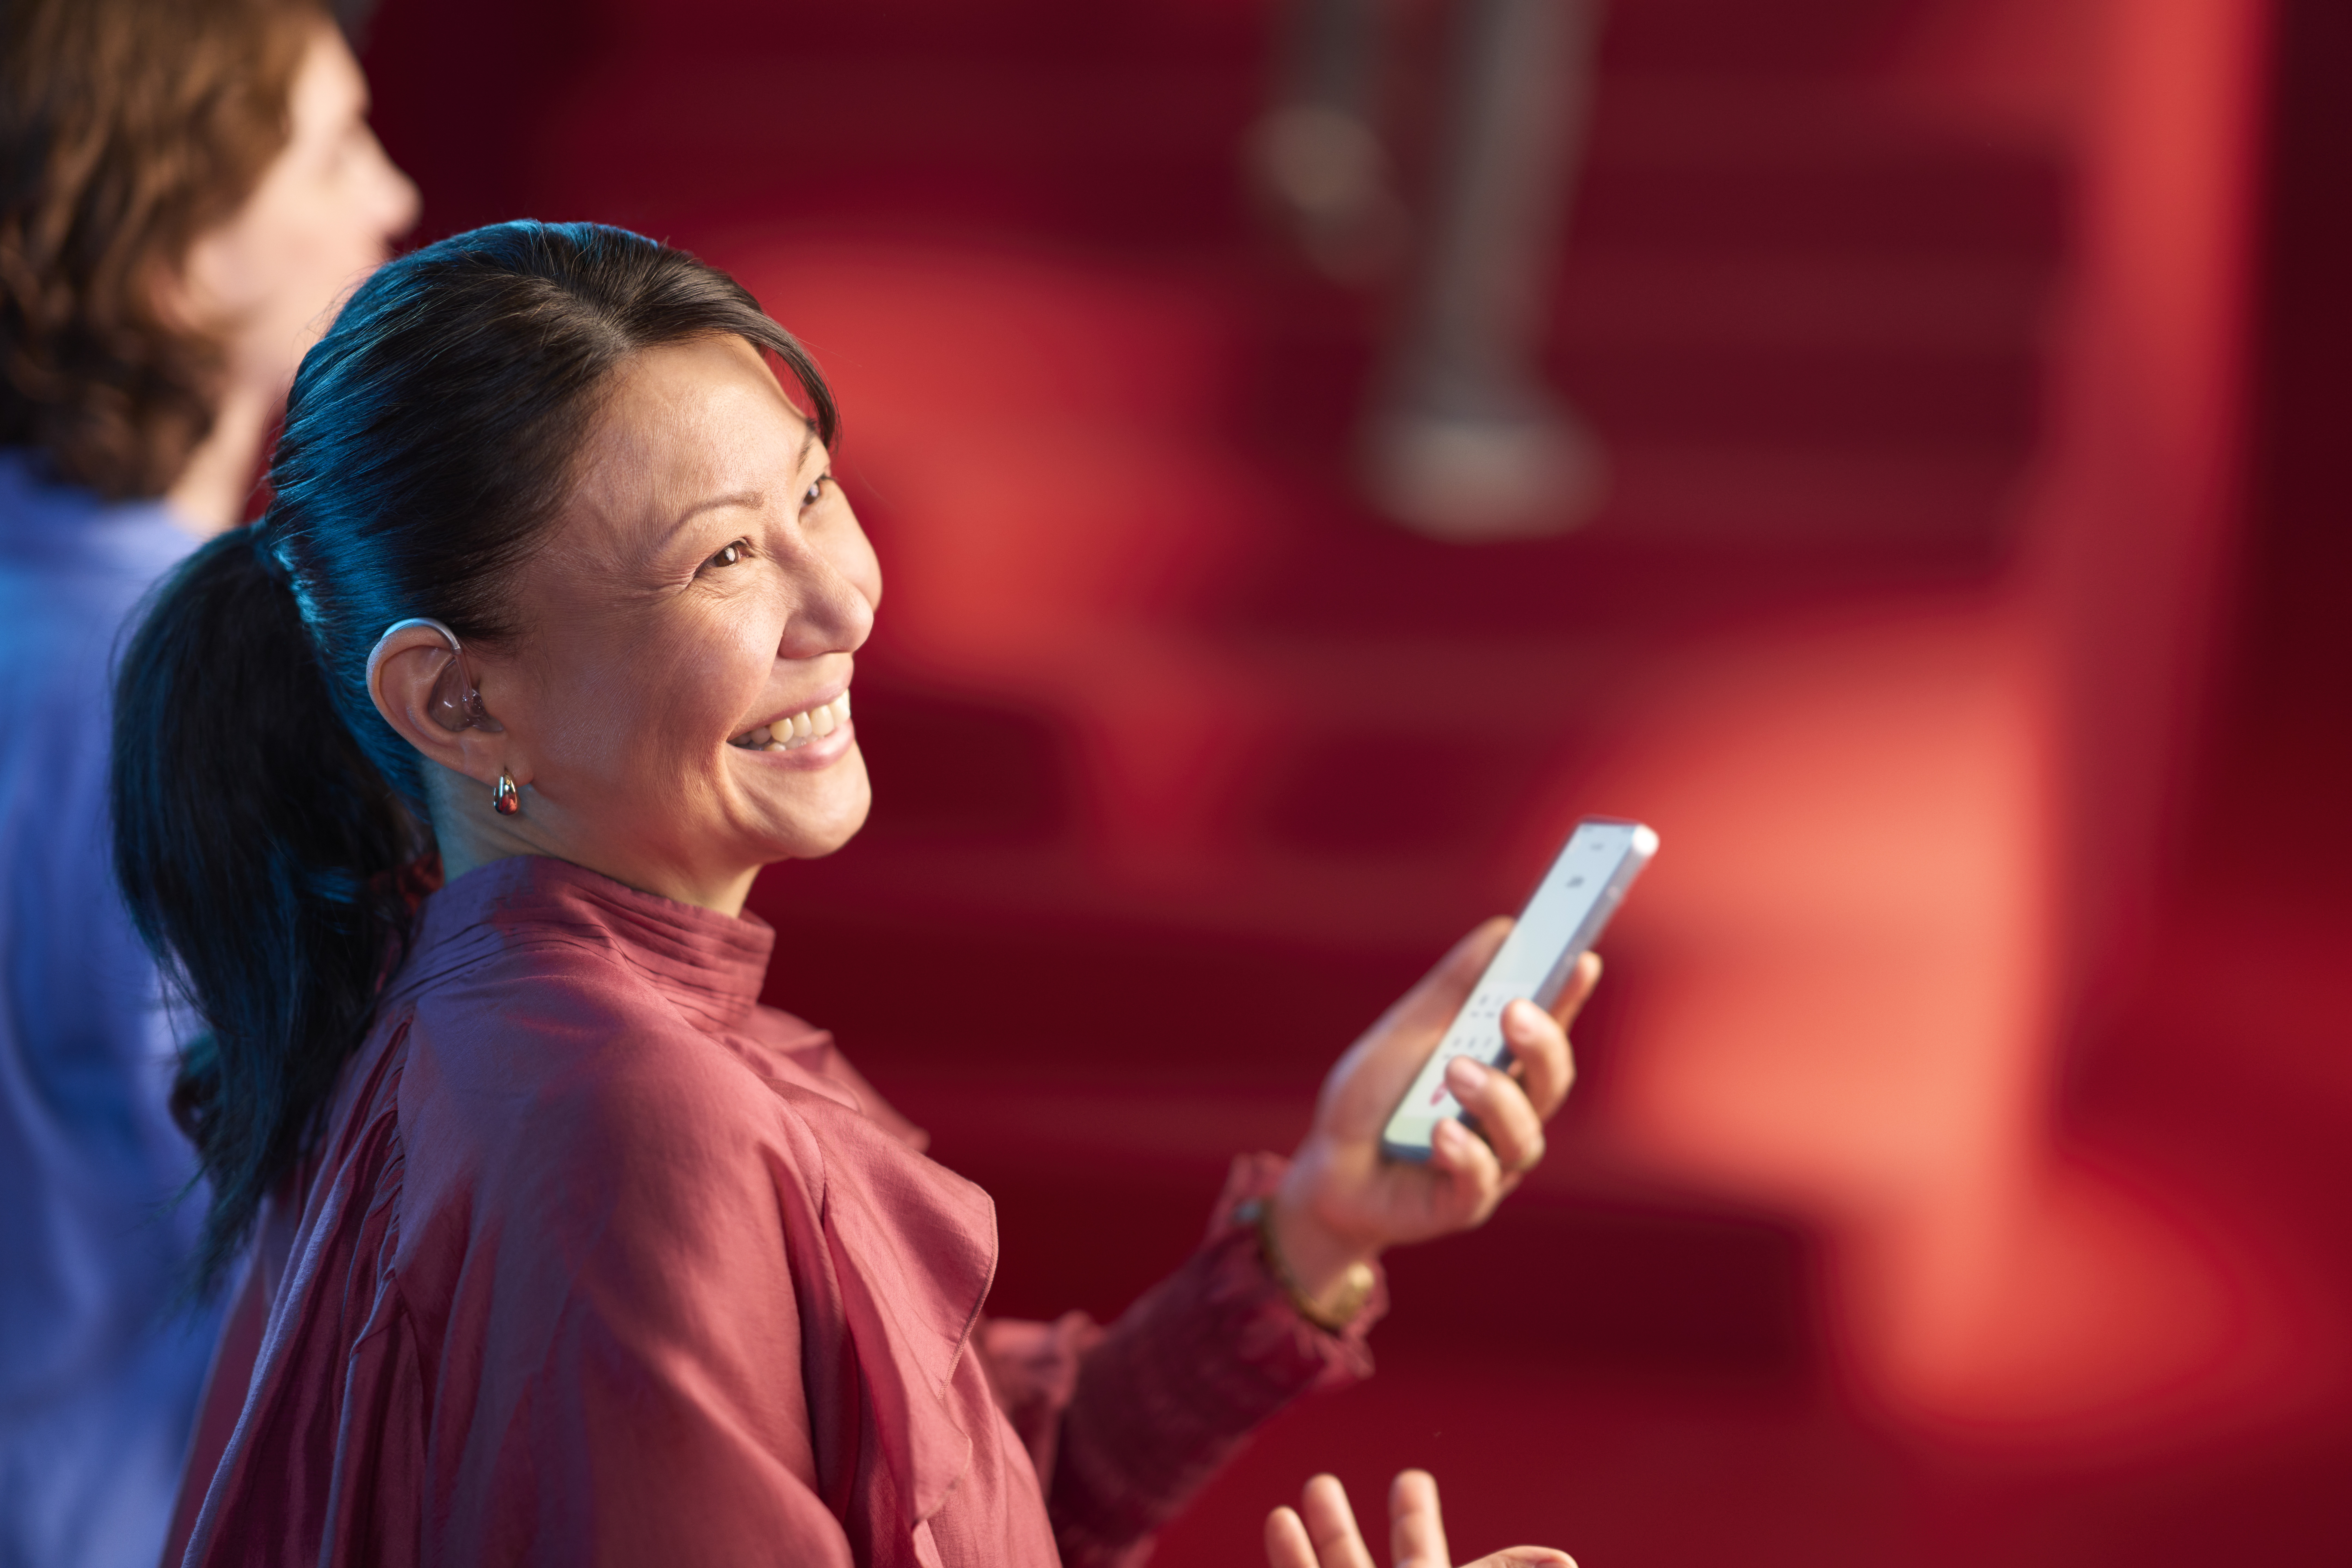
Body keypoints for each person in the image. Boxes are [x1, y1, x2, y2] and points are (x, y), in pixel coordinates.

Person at [114, 220, 1590, 1567]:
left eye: (815, 494)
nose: (843, 602)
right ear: (458, 702)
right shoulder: (623, 1125)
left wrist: (1322, 1225)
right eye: (725, 560)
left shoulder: (558, 1029)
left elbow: (960, 1493)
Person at [0, 2, 416, 1563]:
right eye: (330, 150)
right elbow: (295, 1241)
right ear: (174, 260)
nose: (392, 200)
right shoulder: (184, 688)